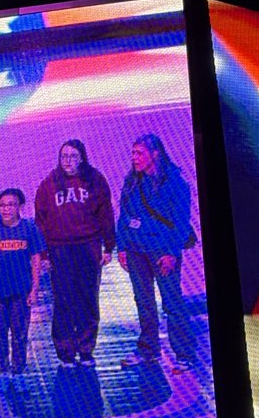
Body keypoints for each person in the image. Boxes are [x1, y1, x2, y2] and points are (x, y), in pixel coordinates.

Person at [116, 134, 197, 372]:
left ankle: (184, 353)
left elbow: (181, 222)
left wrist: (172, 252)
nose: (135, 158)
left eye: (140, 153)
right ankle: (148, 349)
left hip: (162, 252)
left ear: (155, 154)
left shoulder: (175, 182)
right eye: (133, 153)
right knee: (144, 302)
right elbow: (123, 215)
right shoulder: (132, 181)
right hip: (136, 251)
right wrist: (122, 247)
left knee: (172, 302)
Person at [34, 139, 115, 368]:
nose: (68, 161)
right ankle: (65, 351)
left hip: (88, 245)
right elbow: (40, 221)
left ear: (82, 157)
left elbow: (106, 213)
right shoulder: (49, 184)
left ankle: (86, 349)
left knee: (88, 298)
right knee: (63, 300)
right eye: (64, 157)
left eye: (72, 156)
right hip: (60, 249)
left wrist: (109, 247)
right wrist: (44, 254)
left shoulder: (95, 179)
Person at [0, 189, 45, 390]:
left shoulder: (30, 229)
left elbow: (36, 260)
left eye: (11, 205)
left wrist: (34, 289)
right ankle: (2, 371)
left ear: (19, 207)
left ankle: (18, 372)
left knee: (19, 334)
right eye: (3, 205)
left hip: (21, 292)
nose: (6, 209)